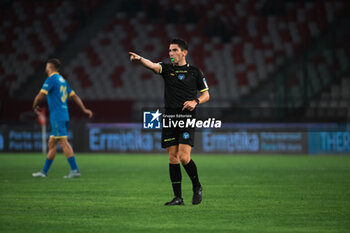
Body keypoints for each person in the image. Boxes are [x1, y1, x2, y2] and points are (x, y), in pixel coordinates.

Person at [129, 38, 210, 205]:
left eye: (174, 50)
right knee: (172, 157)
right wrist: (140, 60)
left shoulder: (196, 72)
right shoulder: (166, 69)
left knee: (183, 157)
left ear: (184, 52)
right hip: (169, 117)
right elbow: (152, 65)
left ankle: (197, 186)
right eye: (170, 50)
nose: (171, 53)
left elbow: (206, 95)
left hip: (186, 117)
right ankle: (178, 197)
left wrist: (196, 102)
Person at [32, 58, 93, 178]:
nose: (45, 68)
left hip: (57, 116)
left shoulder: (52, 79)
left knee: (63, 142)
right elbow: (75, 96)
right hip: (64, 115)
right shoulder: (62, 80)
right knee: (52, 143)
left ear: (50, 66)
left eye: (46, 66)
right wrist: (84, 109)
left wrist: (34, 106)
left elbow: (40, 95)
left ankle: (75, 170)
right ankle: (44, 172)